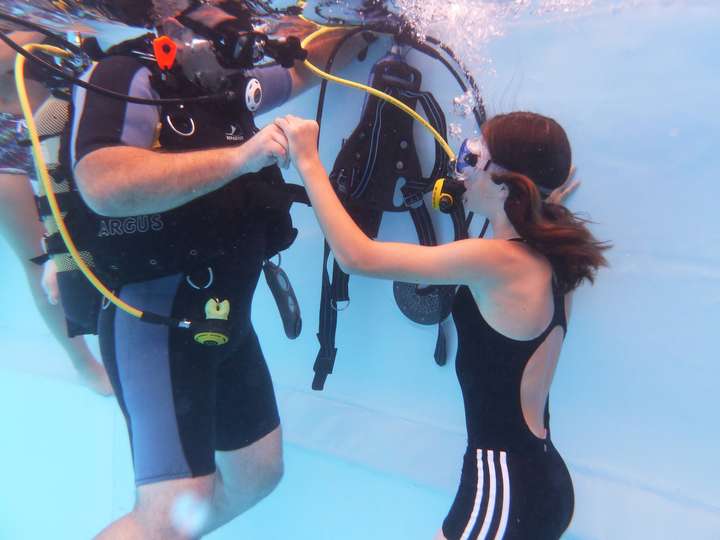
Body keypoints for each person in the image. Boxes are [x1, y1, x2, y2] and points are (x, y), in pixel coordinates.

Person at [63, 2, 374, 537]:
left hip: (223, 317)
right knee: (167, 515)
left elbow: (304, 66)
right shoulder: (126, 72)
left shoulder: (221, 78)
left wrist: (365, 23)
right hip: (157, 321)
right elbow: (102, 183)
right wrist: (240, 158)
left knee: (256, 476)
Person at [275, 110, 609, 540]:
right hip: (539, 477)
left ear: (506, 180)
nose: (461, 173)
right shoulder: (552, 257)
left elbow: (356, 256)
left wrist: (308, 160)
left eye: (473, 157)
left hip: (503, 491)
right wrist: (544, 198)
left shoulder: (495, 261)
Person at [0, 30, 113, 395]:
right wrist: (39, 29)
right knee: (36, 259)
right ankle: (82, 362)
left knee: (104, 227)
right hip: (5, 133)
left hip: (58, 113)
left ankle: (120, 339)